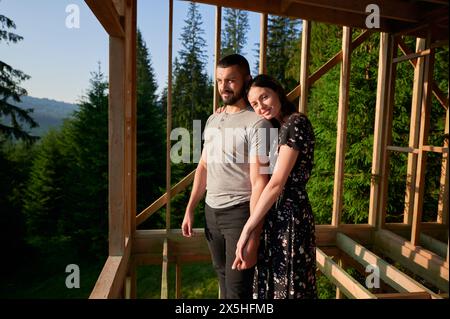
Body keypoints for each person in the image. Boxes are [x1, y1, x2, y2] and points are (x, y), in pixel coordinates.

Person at [181, 54, 273, 299]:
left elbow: (259, 183)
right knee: (222, 277)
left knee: (238, 289)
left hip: (240, 214)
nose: (224, 86)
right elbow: (203, 167)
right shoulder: (213, 119)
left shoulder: (259, 124)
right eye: (220, 80)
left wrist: (253, 237)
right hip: (211, 212)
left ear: (246, 80)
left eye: (231, 80)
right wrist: (191, 208)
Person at [231, 74, 317, 299]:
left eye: (265, 97)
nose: (261, 107)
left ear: (277, 91)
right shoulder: (278, 127)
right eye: (255, 104)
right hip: (276, 216)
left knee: (289, 284)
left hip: (290, 217)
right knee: (273, 283)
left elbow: (276, 184)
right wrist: (225, 109)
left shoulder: (295, 122)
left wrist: (247, 230)